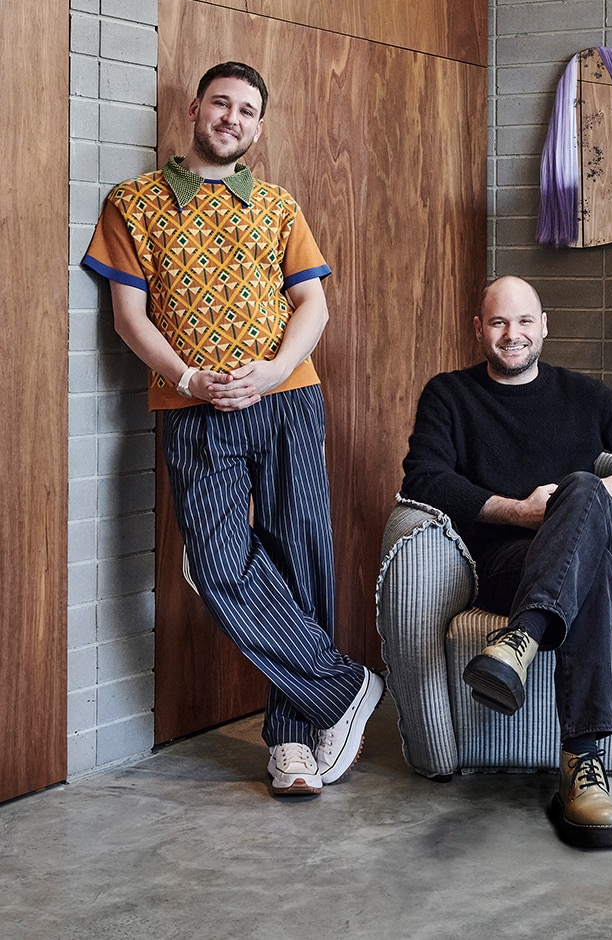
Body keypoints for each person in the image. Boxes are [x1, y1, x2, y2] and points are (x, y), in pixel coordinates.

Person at [82, 61, 383, 798]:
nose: (233, 118)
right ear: (195, 109)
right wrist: (185, 378)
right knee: (218, 564)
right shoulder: (134, 202)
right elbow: (129, 316)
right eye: (223, 103)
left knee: (299, 557)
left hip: (287, 398)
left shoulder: (278, 205)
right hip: (193, 407)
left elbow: (313, 306)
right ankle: (343, 689)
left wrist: (276, 370)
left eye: (248, 111)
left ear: (257, 126)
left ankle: (291, 743)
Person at [400, 275, 612, 848]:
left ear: (545, 327)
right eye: (500, 322)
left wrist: (603, 493)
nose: (514, 334)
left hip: (566, 554)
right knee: (597, 572)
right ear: (478, 329)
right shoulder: (449, 395)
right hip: (507, 564)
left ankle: (521, 640)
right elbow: (424, 478)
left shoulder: (584, 395)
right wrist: (518, 512)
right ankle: (581, 769)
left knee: (583, 486)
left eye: (525, 321)